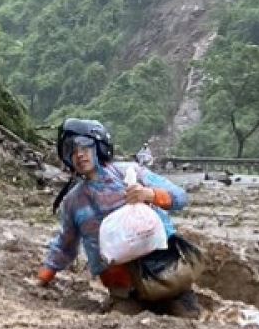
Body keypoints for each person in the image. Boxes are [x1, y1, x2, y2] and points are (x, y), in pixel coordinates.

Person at [37, 118, 201, 317]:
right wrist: (46, 274)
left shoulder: (132, 173)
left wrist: (150, 195)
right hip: (123, 291)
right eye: (71, 150)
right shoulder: (73, 202)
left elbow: (180, 197)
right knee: (119, 321)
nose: (79, 155)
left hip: (166, 277)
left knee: (187, 319)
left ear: (99, 147)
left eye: (85, 147)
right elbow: (65, 243)